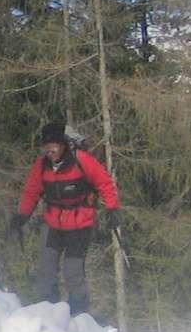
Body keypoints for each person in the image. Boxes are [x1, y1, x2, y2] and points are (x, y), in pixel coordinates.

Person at [7, 121, 121, 317]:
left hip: (80, 224)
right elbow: (31, 191)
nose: (49, 151)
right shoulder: (42, 165)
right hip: (53, 223)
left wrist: (113, 209)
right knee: (46, 270)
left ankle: (78, 315)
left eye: (53, 146)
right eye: (45, 146)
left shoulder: (80, 159)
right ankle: (47, 313)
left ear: (62, 145)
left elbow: (104, 182)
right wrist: (22, 215)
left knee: (73, 272)